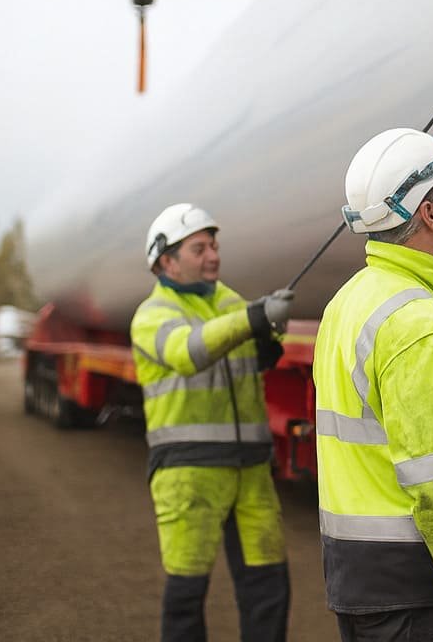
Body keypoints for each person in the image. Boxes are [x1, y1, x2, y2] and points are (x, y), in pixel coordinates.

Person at [314, 128, 433, 642]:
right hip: (413, 588)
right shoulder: (427, 326)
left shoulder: (345, 305)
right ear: (429, 211)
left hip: (356, 576)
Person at [130, 203, 294, 642]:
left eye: (215, 245)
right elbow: (188, 352)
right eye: (199, 248)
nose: (213, 255)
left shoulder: (227, 299)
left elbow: (246, 352)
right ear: (166, 260)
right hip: (188, 473)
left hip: (252, 470)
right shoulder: (152, 314)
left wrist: (264, 340)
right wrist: (253, 318)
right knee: (186, 596)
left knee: (269, 590)